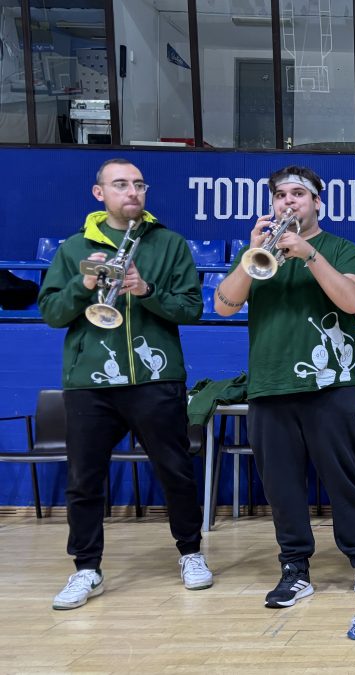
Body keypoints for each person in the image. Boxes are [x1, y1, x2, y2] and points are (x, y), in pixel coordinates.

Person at [39, 158, 211, 610]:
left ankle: (191, 553)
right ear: (100, 194)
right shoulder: (75, 247)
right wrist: (84, 283)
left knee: (175, 470)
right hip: (89, 383)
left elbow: (192, 309)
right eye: (120, 185)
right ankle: (86, 568)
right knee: (84, 479)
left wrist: (146, 291)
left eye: (138, 184)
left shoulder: (169, 244)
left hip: (156, 379)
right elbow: (53, 314)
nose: (132, 192)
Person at [215, 166, 355, 608]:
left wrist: (308, 254)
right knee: (282, 487)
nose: (288, 202)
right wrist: (250, 256)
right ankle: (294, 568)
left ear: (316, 202)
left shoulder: (340, 249)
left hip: (333, 386)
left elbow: (351, 301)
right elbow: (224, 306)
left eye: (298, 194)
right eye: (280, 195)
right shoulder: (257, 253)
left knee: (346, 483)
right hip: (271, 387)